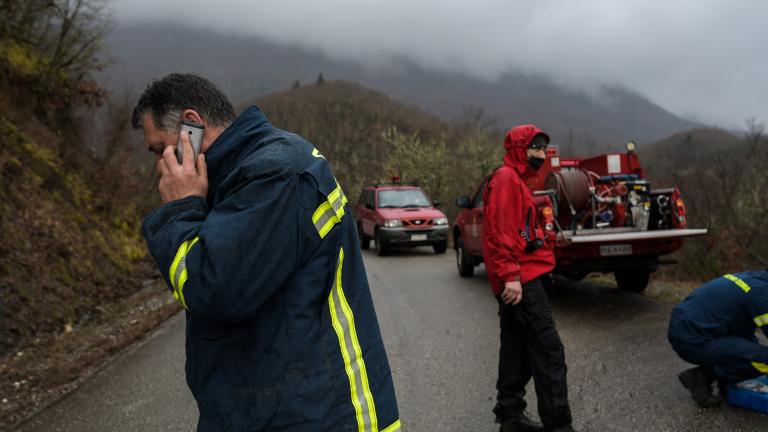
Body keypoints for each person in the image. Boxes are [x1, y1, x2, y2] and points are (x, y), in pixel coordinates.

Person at [131, 73, 400, 432]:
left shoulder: (275, 173)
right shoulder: (233, 179)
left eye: (158, 148)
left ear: (191, 127)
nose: (159, 166)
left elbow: (211, 290)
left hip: (315, 416)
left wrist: (181, 208)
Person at [483, 125, 575, 432]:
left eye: (542, 150)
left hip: (520, 276)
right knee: (550, 353)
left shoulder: (517, 181)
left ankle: (510, 416)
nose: (539, 155)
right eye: (533, 149)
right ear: (519, 149)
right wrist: (510, 275)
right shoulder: (507, 179)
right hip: (521, 279)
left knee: (516, 349)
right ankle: (558, 425)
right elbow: (499, 232)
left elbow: (518, 232)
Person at [668, 270, 768, 407]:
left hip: (685, 329)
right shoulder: (762, 295)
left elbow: (743, 327)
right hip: (692, 340)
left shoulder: (755, 278)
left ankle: (726, 378)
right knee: (763, 360)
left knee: (751, 349)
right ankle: (702, 376)